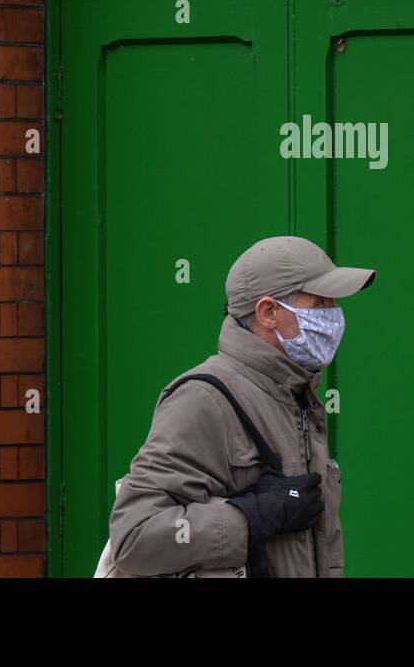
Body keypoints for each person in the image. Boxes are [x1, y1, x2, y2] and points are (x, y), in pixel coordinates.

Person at [106, 235, 374, 577]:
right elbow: (134, 537)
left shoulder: (295, 392)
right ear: (268, 312)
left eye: (333, 303)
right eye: (320, 303)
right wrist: (250, 516)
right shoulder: (204, 398)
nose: (334, 316)